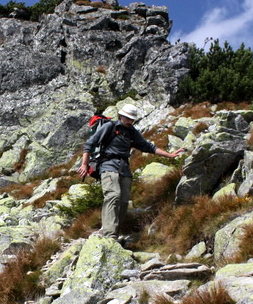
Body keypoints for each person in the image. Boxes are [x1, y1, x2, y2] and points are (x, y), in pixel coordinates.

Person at [78, 102, 184, 240]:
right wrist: (84, 164)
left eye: (132, 119)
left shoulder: (132, 132)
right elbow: (89, 144)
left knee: (123, 201)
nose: (129, 121)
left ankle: (115, 231)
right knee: (113, 195)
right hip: (108, 166)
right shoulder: (109, 126)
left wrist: (169, 155)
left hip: (125, 169)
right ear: (120, 116)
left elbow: (147, 146)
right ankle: (109, 235)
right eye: (127, 118)